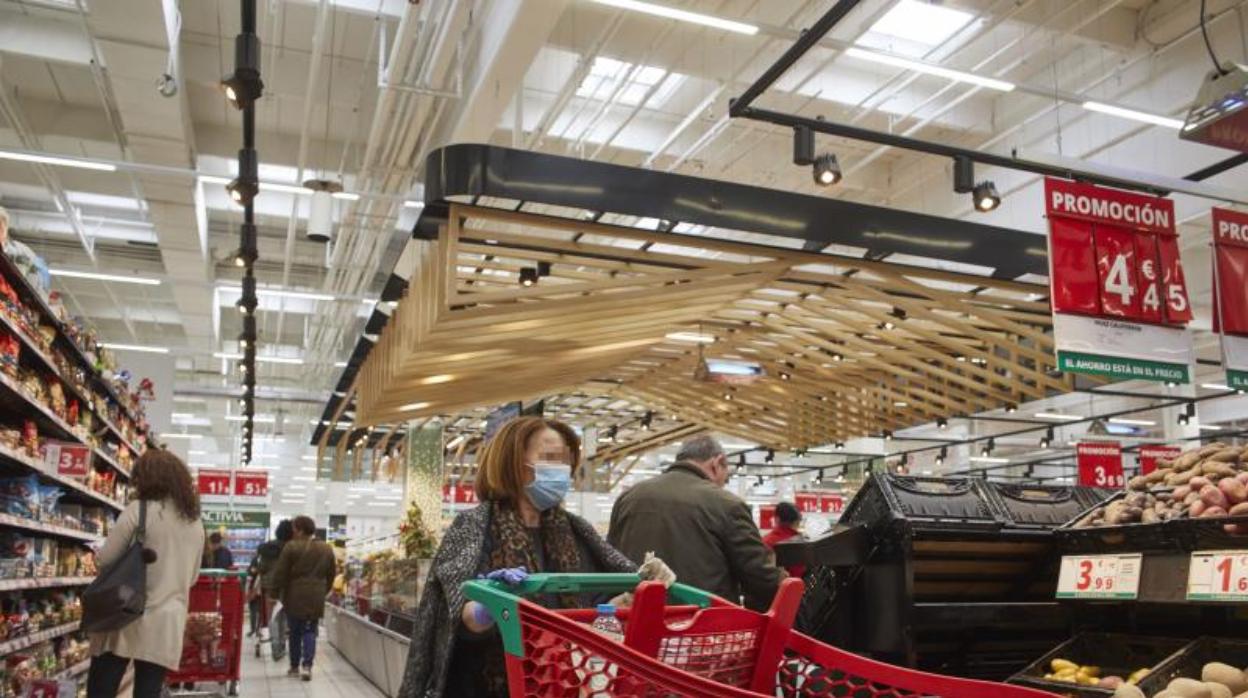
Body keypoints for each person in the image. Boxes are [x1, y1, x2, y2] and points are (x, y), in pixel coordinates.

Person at [399, 416, 637, 698]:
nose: (561, 471)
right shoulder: (473, 528)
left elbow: (597, 602)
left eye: (566, 462)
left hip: (563, 685)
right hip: (486, 687)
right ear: (514, 464)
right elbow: (456, 618)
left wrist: (627, 599)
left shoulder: (576, 531)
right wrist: (486, 606)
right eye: (550, 459)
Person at [609, 435, 783, 611]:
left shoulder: (627, 498)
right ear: (717, 463)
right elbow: (760, 577)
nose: (723, 484)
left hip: (632, 624)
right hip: (700, 627)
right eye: (726, 477)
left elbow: (609, 560)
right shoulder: (727, 504)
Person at [87, 448, 205, 698]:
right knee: (148, 691)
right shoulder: (195, 522)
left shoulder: (139, 510)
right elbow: (192, 577)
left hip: (125, 614)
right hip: (167, 620)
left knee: (103, 686)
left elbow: (105, 560)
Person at [272, 515, 336, 681]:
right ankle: (307, 666)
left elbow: (280, 573)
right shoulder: (326, 549)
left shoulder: (291, 547)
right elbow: (331, 574)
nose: (292, 531)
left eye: (294, 528)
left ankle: (294, 667)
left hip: (294, 594)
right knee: (310, 630)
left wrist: (274, 593)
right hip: (316, 595)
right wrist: (323, 590)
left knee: (295, 632)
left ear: (299, 530)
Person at [256, 519, 293, 660]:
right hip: (288, 586)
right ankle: (282, 645)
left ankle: (275, 647)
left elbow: (261, 568)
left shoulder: (266, 549)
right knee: (283, 616)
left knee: (273, 617)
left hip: (270, 586)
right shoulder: (292, 548)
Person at [763, 501, 807, 579]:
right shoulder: (801, 544)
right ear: (798, 520)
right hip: (795, 587)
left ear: (777, 519)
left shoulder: (765, 541)